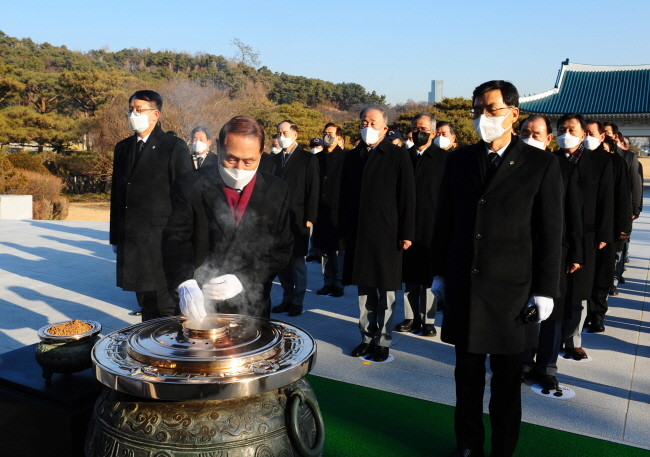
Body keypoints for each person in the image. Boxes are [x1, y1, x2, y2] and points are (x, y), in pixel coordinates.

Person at [431, 80, 563, 457]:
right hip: (466, 287)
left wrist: (545, 290)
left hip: (512, 292)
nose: (482, 117)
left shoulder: (541, 163)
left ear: (513, 113)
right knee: (466, 378)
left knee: (506, 383)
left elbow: (549, 232)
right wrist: (439, 272)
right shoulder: (459, 160)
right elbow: (445, 220)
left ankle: (503, 450)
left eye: (491, 109)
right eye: (477, 110)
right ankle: (468, 446)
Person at [162, 116, 293, 319]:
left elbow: (282, 248)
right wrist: (185, 283)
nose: (239, 169)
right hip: (199, 303)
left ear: (261, 153)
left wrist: (245, 278)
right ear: (218, 148)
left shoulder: (277, 190)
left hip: (251, 304)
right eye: (231, 159)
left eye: (249, 161)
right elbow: (175, 240)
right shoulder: (190, 184)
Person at [110, 90, 193, 321]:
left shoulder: (173, 146)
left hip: (161, 239)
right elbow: (117, 195)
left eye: (139, 110)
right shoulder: (123, 147)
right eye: (130, 109)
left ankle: (171, 342)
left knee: (166, 306)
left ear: (155, 114)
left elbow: (186, 195)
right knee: (145, 303)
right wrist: (115, 237)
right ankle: (147, 341)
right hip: (132, 239)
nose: (133, 114)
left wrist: (183, 238)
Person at [341, 105, 416, 363]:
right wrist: (343, 230)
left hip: (387, 234)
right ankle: (366, 337)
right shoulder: (353, 156)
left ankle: (382, 341)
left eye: (373, 123)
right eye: (364, 122)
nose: (367, 127)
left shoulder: (397, 155)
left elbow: (407, 196)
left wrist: (407, 232)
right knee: (364, 290)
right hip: (359, 233)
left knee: (386, 291)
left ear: (385, 128)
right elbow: (344, 196)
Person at [520, 115, 583, 391]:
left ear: (548, 138)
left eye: (536, 134)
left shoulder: (562, 167)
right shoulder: (511, 165)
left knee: (552, 314)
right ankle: (522, 361)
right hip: (519, 250)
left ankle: (546, 366)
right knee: (522, 309)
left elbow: (573, 213)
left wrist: (576, 253)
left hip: (556, 250)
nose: (529, 139)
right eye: (524, 133)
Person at [557, 114, 614, 361]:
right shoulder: (552, 160)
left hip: (588, 234)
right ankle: (551, 338)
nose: (566, 134)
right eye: (561, 129)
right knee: (555, 289)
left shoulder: (600, 162)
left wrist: (604, 233)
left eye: (571, 129)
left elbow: (607, 199)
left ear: (583, 134)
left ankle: (573, 340)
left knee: (579, 292)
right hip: (557, 232)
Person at [396, 113, 447, 337]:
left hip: (431, 225)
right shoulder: (403, 156)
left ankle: (427, 319)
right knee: (409, 275)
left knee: (428, 276)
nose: (420, 133)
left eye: (424, 129)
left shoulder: (444, 159)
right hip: (406, 223)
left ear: (433, 133)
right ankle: (410, 316)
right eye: (416, 129)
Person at [271, 120, 320, 316]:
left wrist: (311, 216)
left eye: (285, 133)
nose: (281, 137)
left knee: (297, 262)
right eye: (279, 133)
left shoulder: (308, 159)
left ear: (295, 134)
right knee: (282, 262)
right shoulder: (275, 159)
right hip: (277, 218)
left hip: (298, 217)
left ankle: (297, 301)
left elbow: (313, 189)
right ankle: (286, 298)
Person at [586, 120, 632, 331]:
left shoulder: (615, 162)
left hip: (608, 227)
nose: (587, 137)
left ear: (602, 136)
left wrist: (623, 227)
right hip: (583, 228)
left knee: (602, 274)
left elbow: (623, 196)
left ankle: (597, 315)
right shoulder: (576, 159)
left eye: (591, 133)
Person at [312, 122, 347, 298]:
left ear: (339, 137)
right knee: (324, 249)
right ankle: (327, 282)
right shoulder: (316, 158)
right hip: (321, 210)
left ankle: (339, 283)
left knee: (338, 250)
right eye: (325, 133)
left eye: (331, 133)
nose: (327, 136)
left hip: (338, 210)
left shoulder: (346, 157)